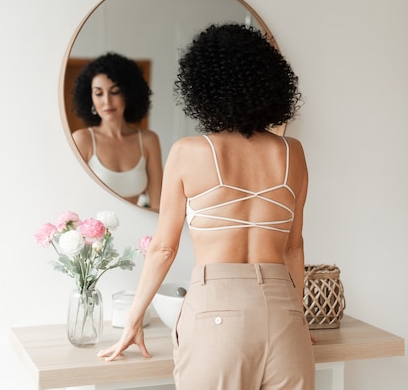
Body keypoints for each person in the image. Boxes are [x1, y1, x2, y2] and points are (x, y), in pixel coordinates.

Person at [98, 24, 315, 390]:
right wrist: (297, 318)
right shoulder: (292, 153)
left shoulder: (189, 152)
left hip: (217, 311)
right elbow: (294, 246)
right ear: (267, 82)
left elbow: (164, 248)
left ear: (203, 85)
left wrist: (133, 319)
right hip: (284, 313)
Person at [71, 52, 162, 210]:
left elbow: (158, 206)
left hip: (139, 230)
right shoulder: (83, 140)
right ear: (90, 97)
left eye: (114, 92)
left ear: (128, 94)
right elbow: (71, 199)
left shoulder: (148, 140)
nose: (106, 101)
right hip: (95, 233)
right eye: (98, 93)